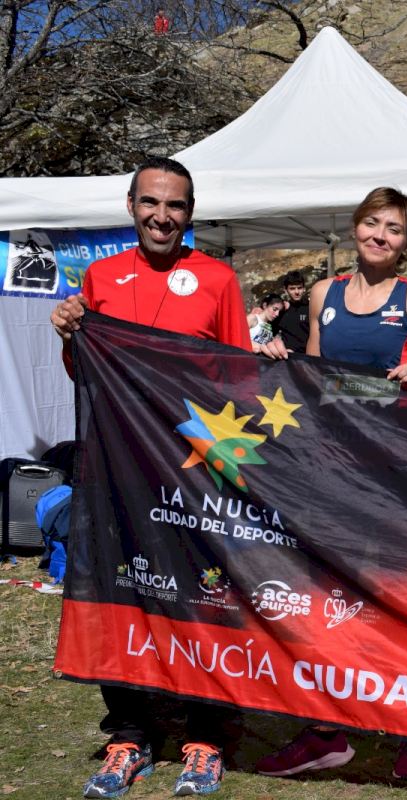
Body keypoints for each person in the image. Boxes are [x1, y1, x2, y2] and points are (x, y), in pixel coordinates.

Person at [50, 156, 270, 797]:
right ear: (131, 206)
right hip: (116, 466)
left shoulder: (217, 279)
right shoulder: (100, 276)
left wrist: (228, 466)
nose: (162, 216)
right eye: (151, 202)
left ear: (190, 214)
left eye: (175, 205)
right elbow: (85, 372)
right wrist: (68, 336)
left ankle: (206, 736)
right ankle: (130, 734)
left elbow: (239, 378)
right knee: (118, 592)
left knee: (204, 598)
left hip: (192, 470)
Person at [254, 187, 407, 780]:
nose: (380, 236)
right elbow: (312, 382)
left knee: (397, 604)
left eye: (394, 229)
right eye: (372, 223)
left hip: (394, 475)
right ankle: (326, 730)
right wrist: (282, 360)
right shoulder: (322, 295)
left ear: (406, 244)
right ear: (355, 227)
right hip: (330, 472)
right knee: (325, 601)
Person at [274, 270, 310, 352]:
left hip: (307, 356)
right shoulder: (280, 310)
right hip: (286, 356)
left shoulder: (311, 308)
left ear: (304, 288)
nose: (297, 292)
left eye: (299, 288)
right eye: (292, 288)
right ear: (285, 290)